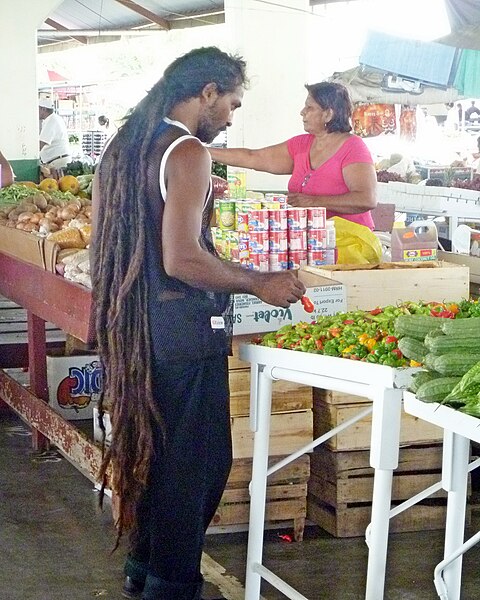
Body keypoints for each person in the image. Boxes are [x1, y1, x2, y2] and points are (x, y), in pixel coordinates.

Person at [90, 46, 305, 600]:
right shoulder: (186, 151)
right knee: (197, 470)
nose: (231, 117)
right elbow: (181, 258)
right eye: (231, 102)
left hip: (139, 330)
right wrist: (259, 282)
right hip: (182, 333)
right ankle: (171, 586)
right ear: (207, 92)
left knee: (153, 460)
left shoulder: (126, 143)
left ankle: (142, 573)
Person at [209, 81, 377, 229]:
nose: (302, 112)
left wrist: (313, 202)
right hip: (310, 242)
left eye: (309, 108)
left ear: (328, 114)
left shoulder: (353, 147)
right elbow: (253, 157)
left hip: (350, 243)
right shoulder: (301, 145)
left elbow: (366, 199)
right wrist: (204, 151)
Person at [38, 98, 71, 171]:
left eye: (38, 109)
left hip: (57, 162)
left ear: (43, 109)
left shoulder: (51, 121)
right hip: (57, 160)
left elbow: (41, 143)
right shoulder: (54, 118)